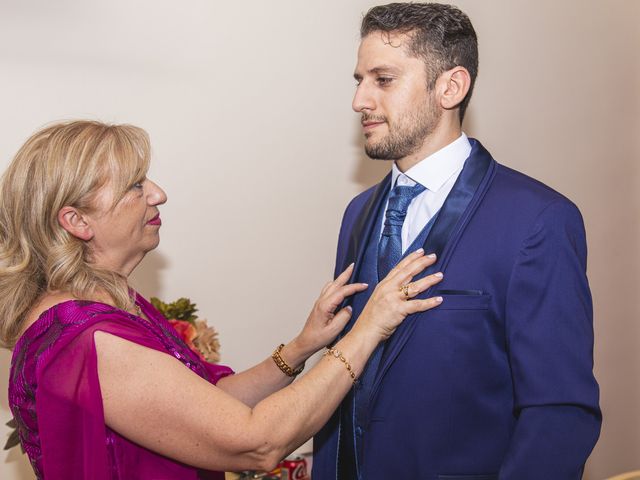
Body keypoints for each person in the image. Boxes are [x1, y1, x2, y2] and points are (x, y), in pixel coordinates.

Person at [0, 120, 446, 479]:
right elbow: (255, 442)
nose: (158, 194)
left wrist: (302, 346)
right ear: (77, 221)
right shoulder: (85, 338)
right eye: (135, 186)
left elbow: (208, 401)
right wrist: (368, 329)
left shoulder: (110, 302)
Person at [313, 3, 601, 479]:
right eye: (359, 80)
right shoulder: (358, 214)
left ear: (451, 86)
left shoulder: (538, 220)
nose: (359, 100)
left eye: (382, 80)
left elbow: (559, 413)